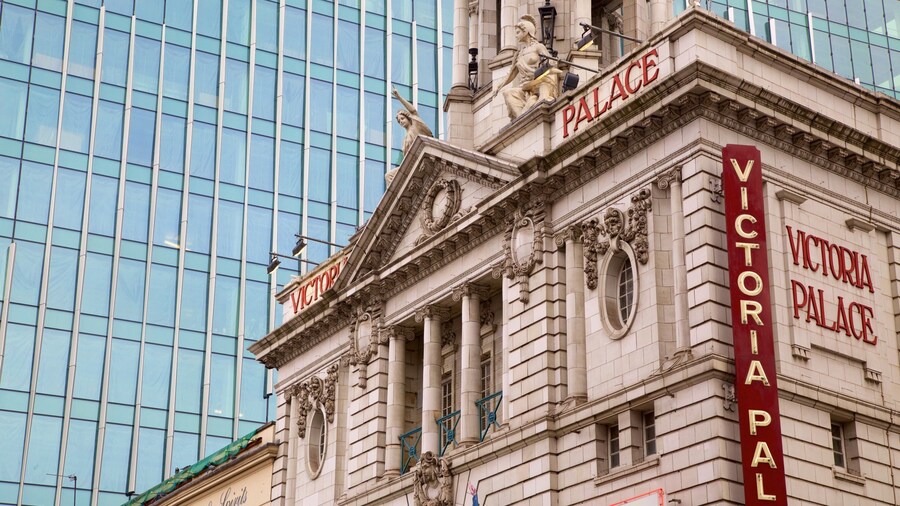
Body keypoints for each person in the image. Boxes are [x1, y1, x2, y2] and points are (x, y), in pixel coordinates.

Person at [492, 14, 562, 119]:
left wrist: (549, 64)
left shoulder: (538, 47)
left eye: (518, 32)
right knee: (508, 93)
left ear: (526, 32)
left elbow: (552, 62)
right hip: (525, 87)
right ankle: (523, 121)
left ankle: (528, 115)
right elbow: (511, 74)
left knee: (543, 102)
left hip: (540, 83)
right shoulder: (519, 54)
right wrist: (498, 86)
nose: (516, 36)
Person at [386, 87, 434, 185]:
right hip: (409, 164)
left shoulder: (415, 126)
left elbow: (413, 111)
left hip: (420, 158)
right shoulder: (405, 139)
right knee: (389, 175)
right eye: (399, 121)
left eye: (402, 118)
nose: (401, 122)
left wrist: (398, 97)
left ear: (408, 118)